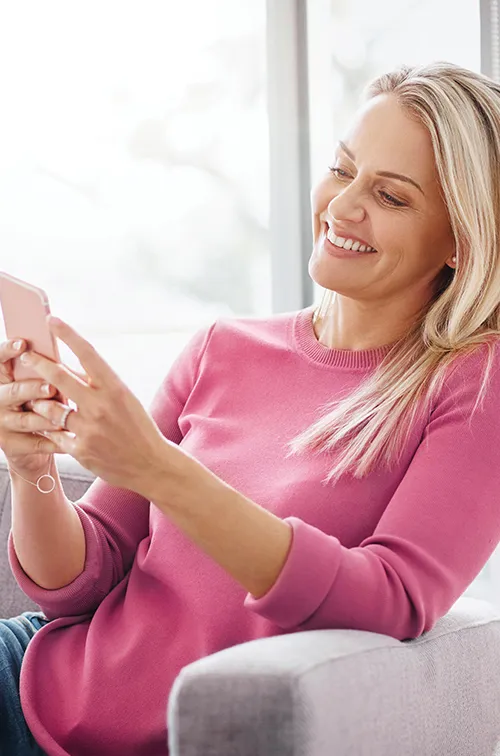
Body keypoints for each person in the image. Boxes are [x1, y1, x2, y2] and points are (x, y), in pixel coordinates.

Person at [1, 60, 500, 755]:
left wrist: (160, 470)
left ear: (460, 239)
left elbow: (394, 599)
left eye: (390, 196)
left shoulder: (473, 383)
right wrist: (33, 471)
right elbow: (78, 586)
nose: (343, 206)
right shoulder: (222, 348)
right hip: (28, 687)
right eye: (343, 168)